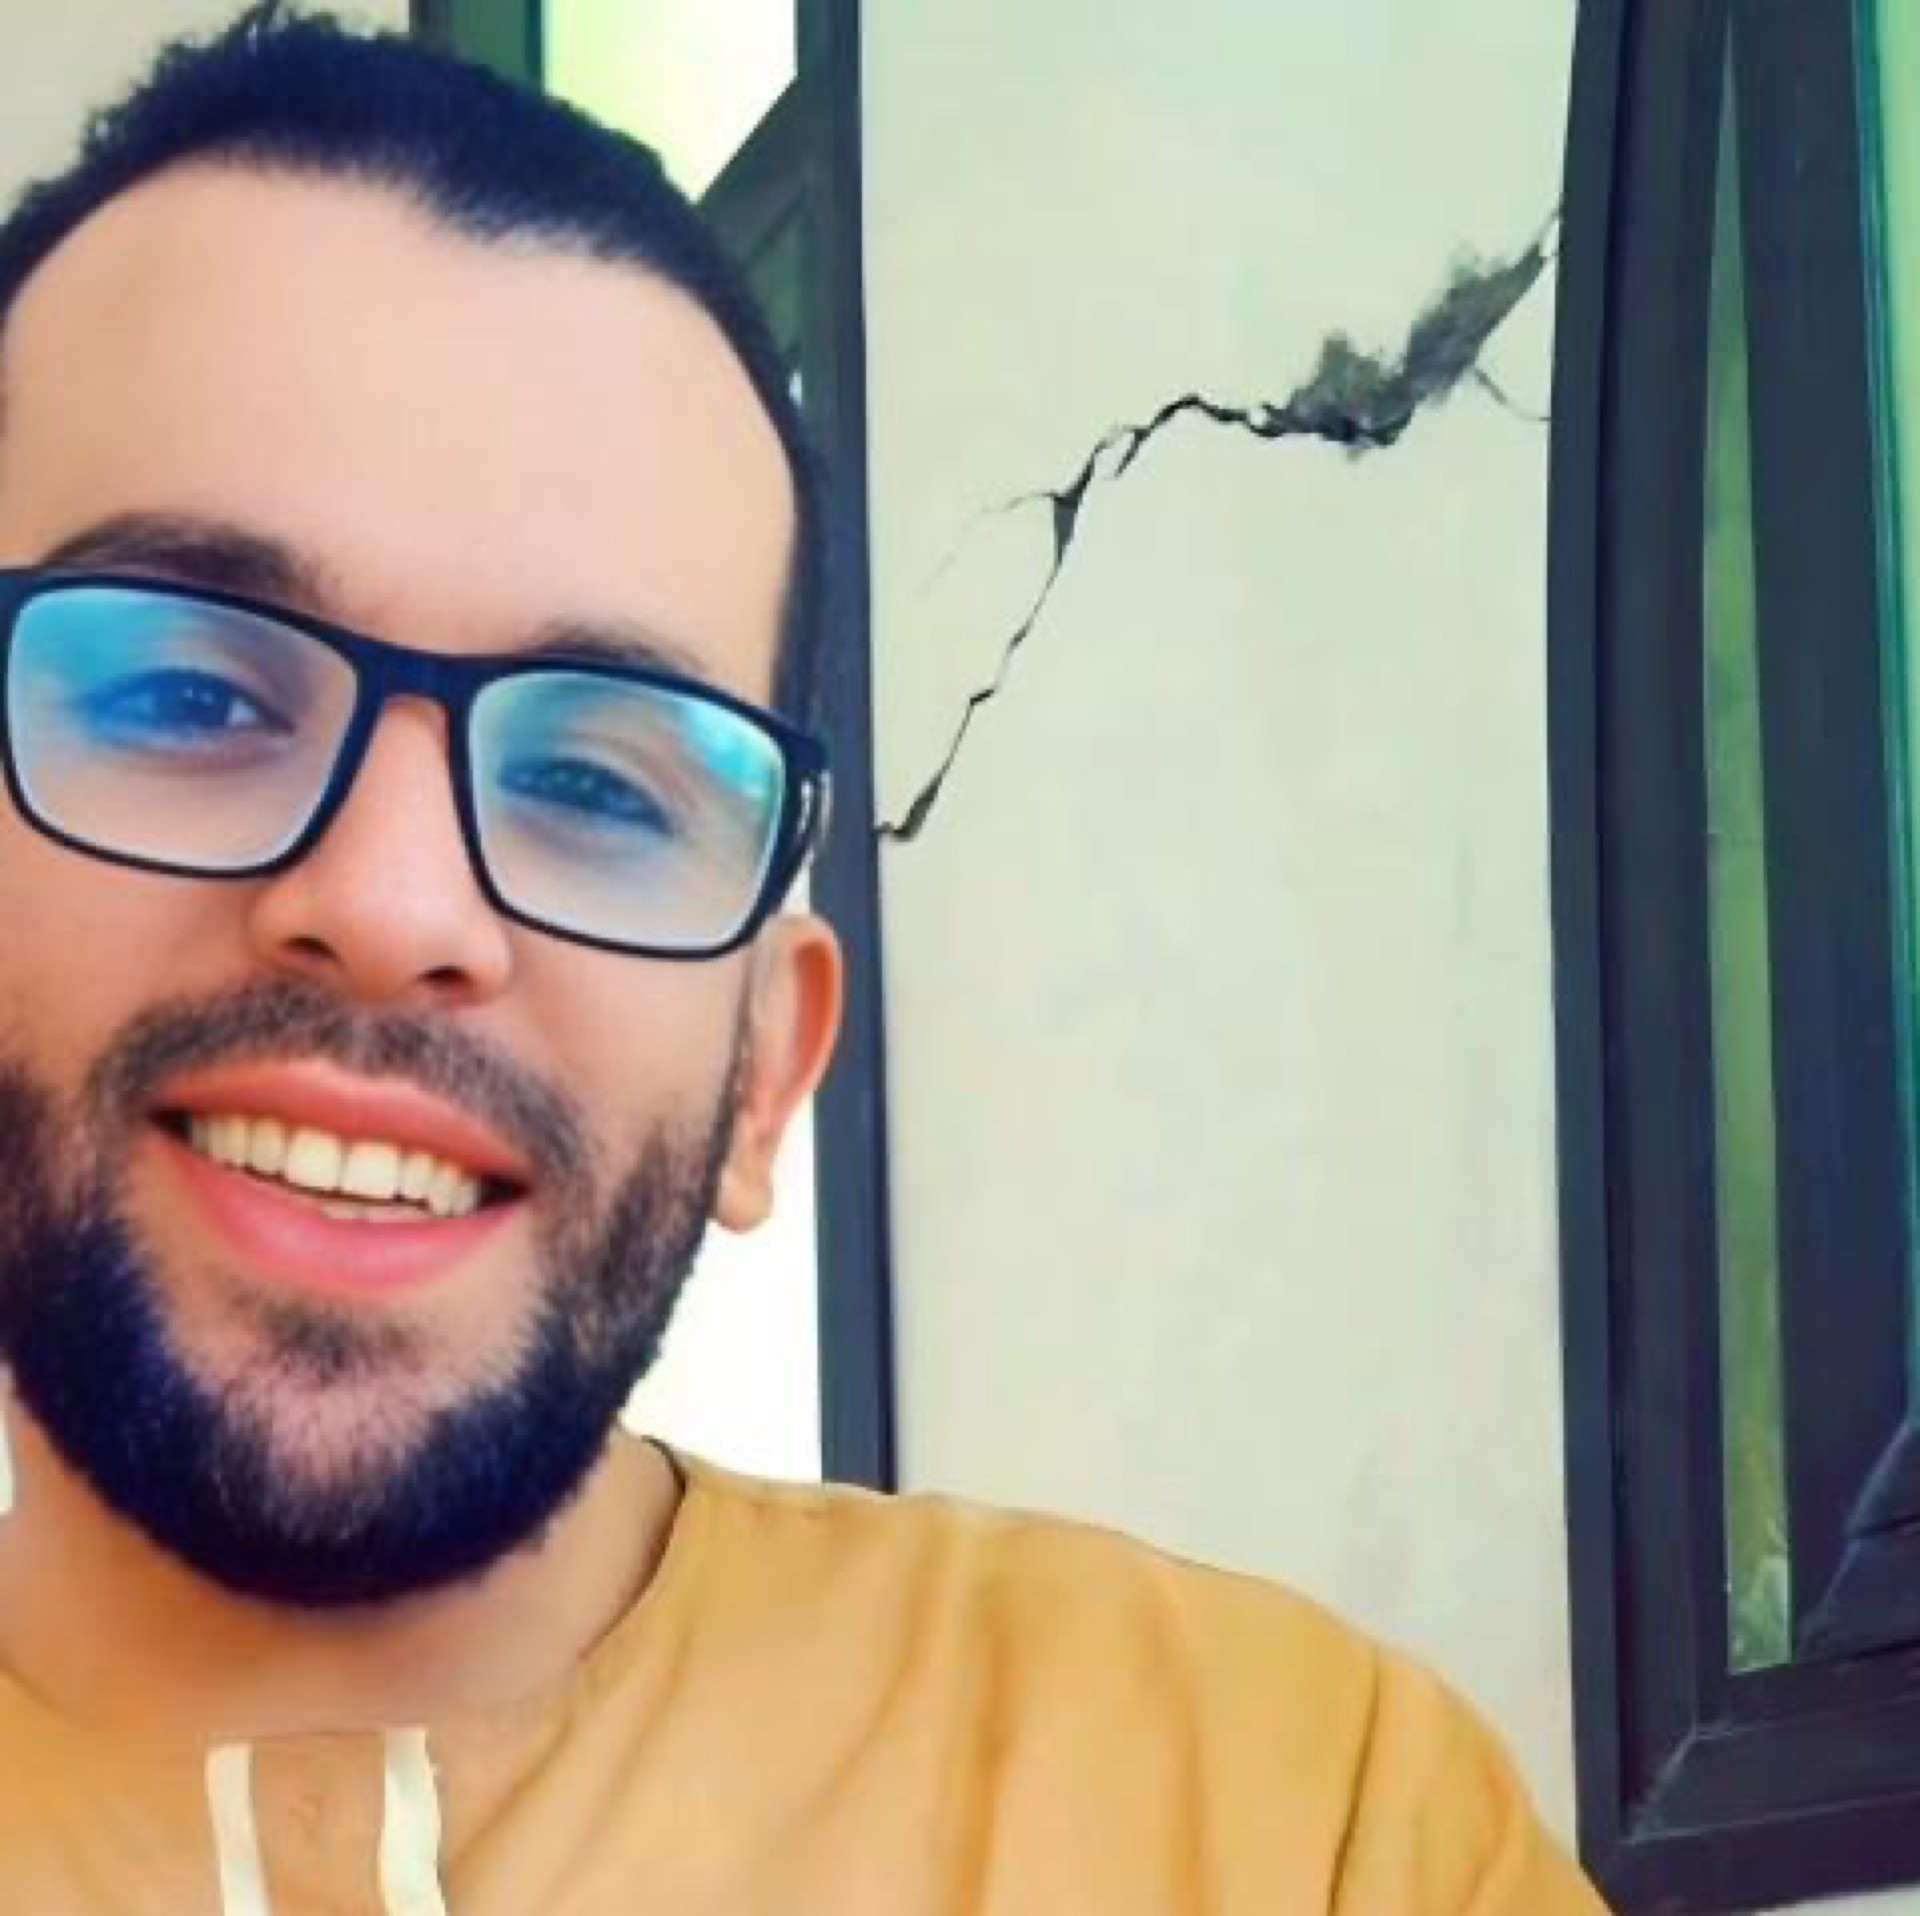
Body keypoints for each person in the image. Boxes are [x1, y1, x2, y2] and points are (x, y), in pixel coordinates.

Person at [0, 8, 1610, 1911]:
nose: (398, 905)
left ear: (770, 1062)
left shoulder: (1301, 1824)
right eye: (185, 691)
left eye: (599, 779)